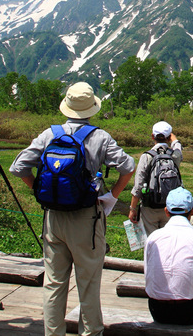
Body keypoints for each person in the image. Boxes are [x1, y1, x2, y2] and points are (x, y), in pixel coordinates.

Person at [9, 81, 135, 336]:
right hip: (86, 218)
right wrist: (112, 196)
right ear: (91, 109)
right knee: (88, 284)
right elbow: (128, 166)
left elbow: (18, 167)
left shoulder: (50, 134)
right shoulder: (100, 136)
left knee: (54, 283)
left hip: (53, 218)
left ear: (66, 107)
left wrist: (38, 191)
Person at [144, 187, 193, 325]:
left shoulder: (153, 237)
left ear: (166, 211)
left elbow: (148, 273)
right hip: (189, 311)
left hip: (157, 310)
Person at [128, 121, 183, 236]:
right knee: (168, 241)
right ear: (169, 137)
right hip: (169, 207)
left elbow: (138, 185)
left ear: (152, 136)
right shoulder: (175, 156)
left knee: (151, 241)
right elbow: (178, 147)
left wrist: (133, 208)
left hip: (149, 207)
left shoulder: (147, 156)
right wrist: (174, 139)